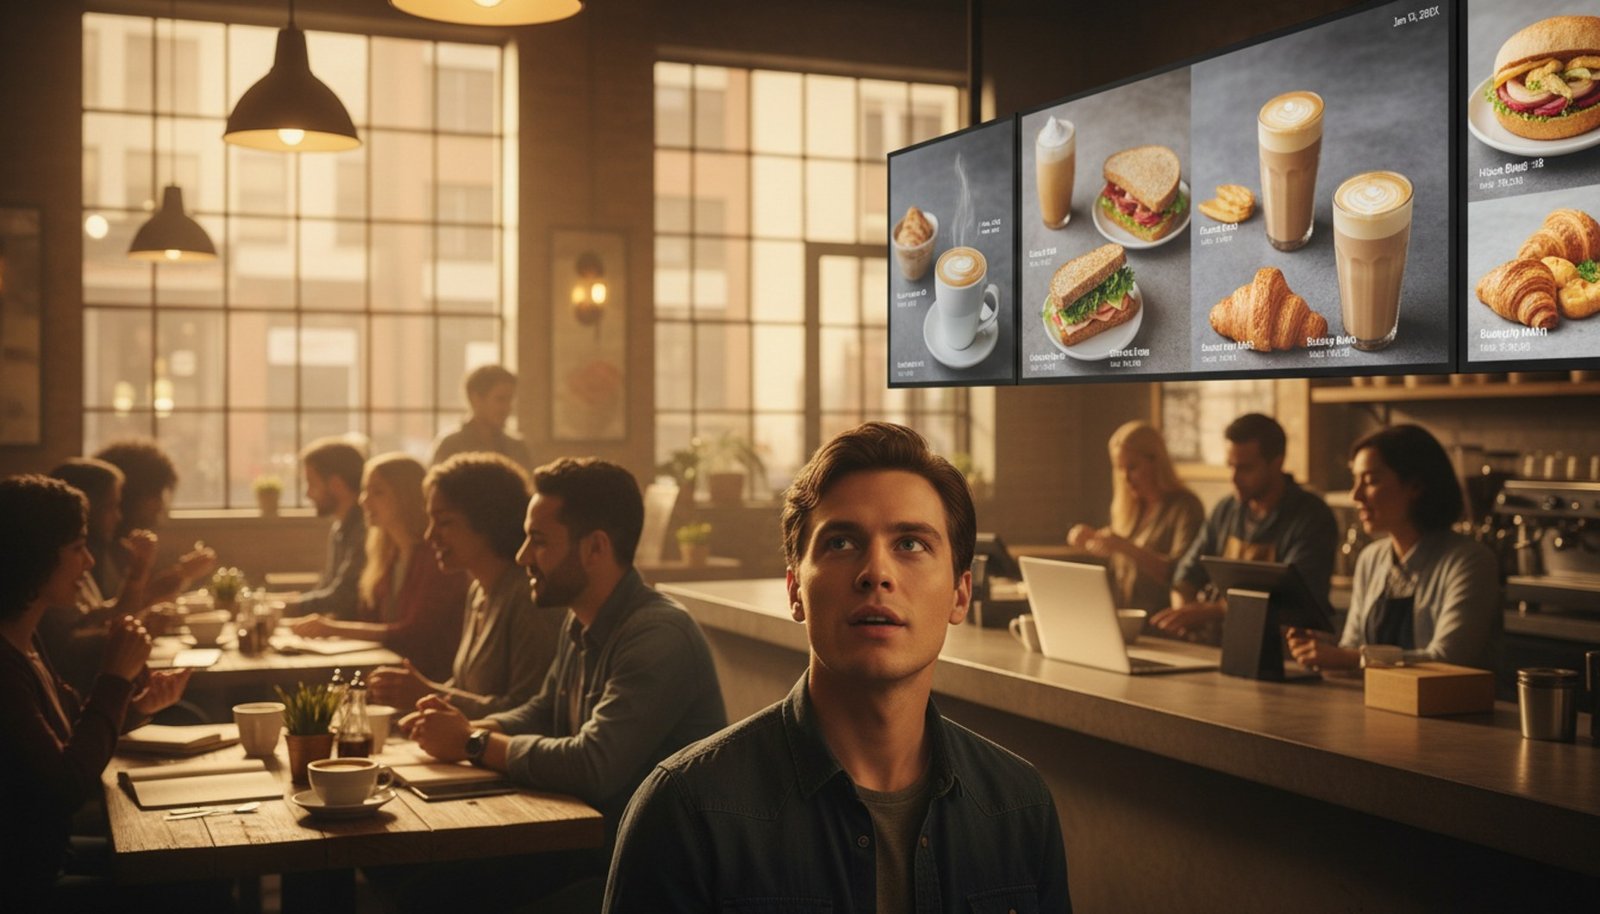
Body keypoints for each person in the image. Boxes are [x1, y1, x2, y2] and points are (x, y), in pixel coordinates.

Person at [603, 422, 1070, 913]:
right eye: (842, 543)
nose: (876, 573)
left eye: (911, 544)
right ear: (795, 591)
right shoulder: (688, 810)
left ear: (960, 594)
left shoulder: (1019, 805)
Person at [399, 457, 726, 909]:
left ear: (595, 548)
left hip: (649, 872)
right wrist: (465, 727)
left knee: (440, 893)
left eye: (538, 541)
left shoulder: (658, 635)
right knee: (421, 883)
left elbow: (593, 765)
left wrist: (473, 743)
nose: (521, 556)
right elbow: (544, 710)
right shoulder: (581, 619)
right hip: (589, 844)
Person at [0, 475, 192, 909]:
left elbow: (70, 731)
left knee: (183, 852)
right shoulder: (5, 666)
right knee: (195, 882)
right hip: (27, 881)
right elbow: (66, 787)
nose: (88, 562)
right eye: (76, 548)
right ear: (34, 555)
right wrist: (115, 679)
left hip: (49, 856)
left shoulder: (25, 642)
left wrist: (138, 707)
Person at [1288, 425, 1501, 672]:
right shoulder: (1371, 558)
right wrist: (1324, 648)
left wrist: (1349, 658)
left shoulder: (1470, 561)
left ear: (1416, 486)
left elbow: (1449, 660)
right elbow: (1352, 646)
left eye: (1371, 481)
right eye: (1355, 480)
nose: (1356, 495)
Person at [367, 453, 561, 718]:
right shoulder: (479, 591)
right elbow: (463, 688)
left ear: (488, 521)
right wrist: (413, 696)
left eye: (444, 522)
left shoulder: (527, 599)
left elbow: (528, 714)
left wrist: (427, 694)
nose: (430, 535)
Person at [1155, 413, 1338, 642]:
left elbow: (1293, 598)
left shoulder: (1311, 517)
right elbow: (1187, 572)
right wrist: (1182, 609)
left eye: (1245, 468)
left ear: (1277, 462)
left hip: (1284, 651)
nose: (1233, 478)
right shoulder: (1225, 510)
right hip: (1219, 645)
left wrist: (1211, 611)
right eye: (1231, 466)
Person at [289, 454, 469, 681]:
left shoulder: (436, 558)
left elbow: (415, 634)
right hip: (388, 672)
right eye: (365, 491)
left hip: (426, 679)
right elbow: (371, 621)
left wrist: (332, 628)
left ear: (406, 497)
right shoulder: (387, 554)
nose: (363, 500)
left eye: (377, 492)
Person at [40, 459, 162, 695]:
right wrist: (135, 633)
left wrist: (139, 570)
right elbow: (68, 647)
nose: (118, 517)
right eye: (110, 507)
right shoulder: (59, 564)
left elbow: (97, 616)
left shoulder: (88, 555)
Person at [1068, 420, 1205, 612]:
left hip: (1162, 619)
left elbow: (1182, 574)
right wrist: (1093, 539)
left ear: (1155, 461)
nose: (1125, 477)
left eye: (1132, 467)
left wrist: (1124, 546)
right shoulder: (1129, 508)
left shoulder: (1186, 507)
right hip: (1125, 618)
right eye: (1119, 468)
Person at [91, 439, 215, 605]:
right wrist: (181, 574)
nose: (160, 505)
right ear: (130, 495)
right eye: (155, 495)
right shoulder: (93, 551)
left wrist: (181, 575)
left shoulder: (124, 546)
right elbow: (121, 608)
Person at [289, 437, 369, 620]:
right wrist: (284, 602)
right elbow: (327, 588)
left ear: (336, 484)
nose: (307, 494)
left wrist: (282, 607)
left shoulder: (363, 530)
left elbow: (342, 598)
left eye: (311, 483)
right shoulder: (339, 528)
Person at [430, 363, 530, 469]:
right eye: (500, 399)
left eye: (510, 400)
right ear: (476, 399)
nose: (508, 408)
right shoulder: (450, 446)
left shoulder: (517, 447)